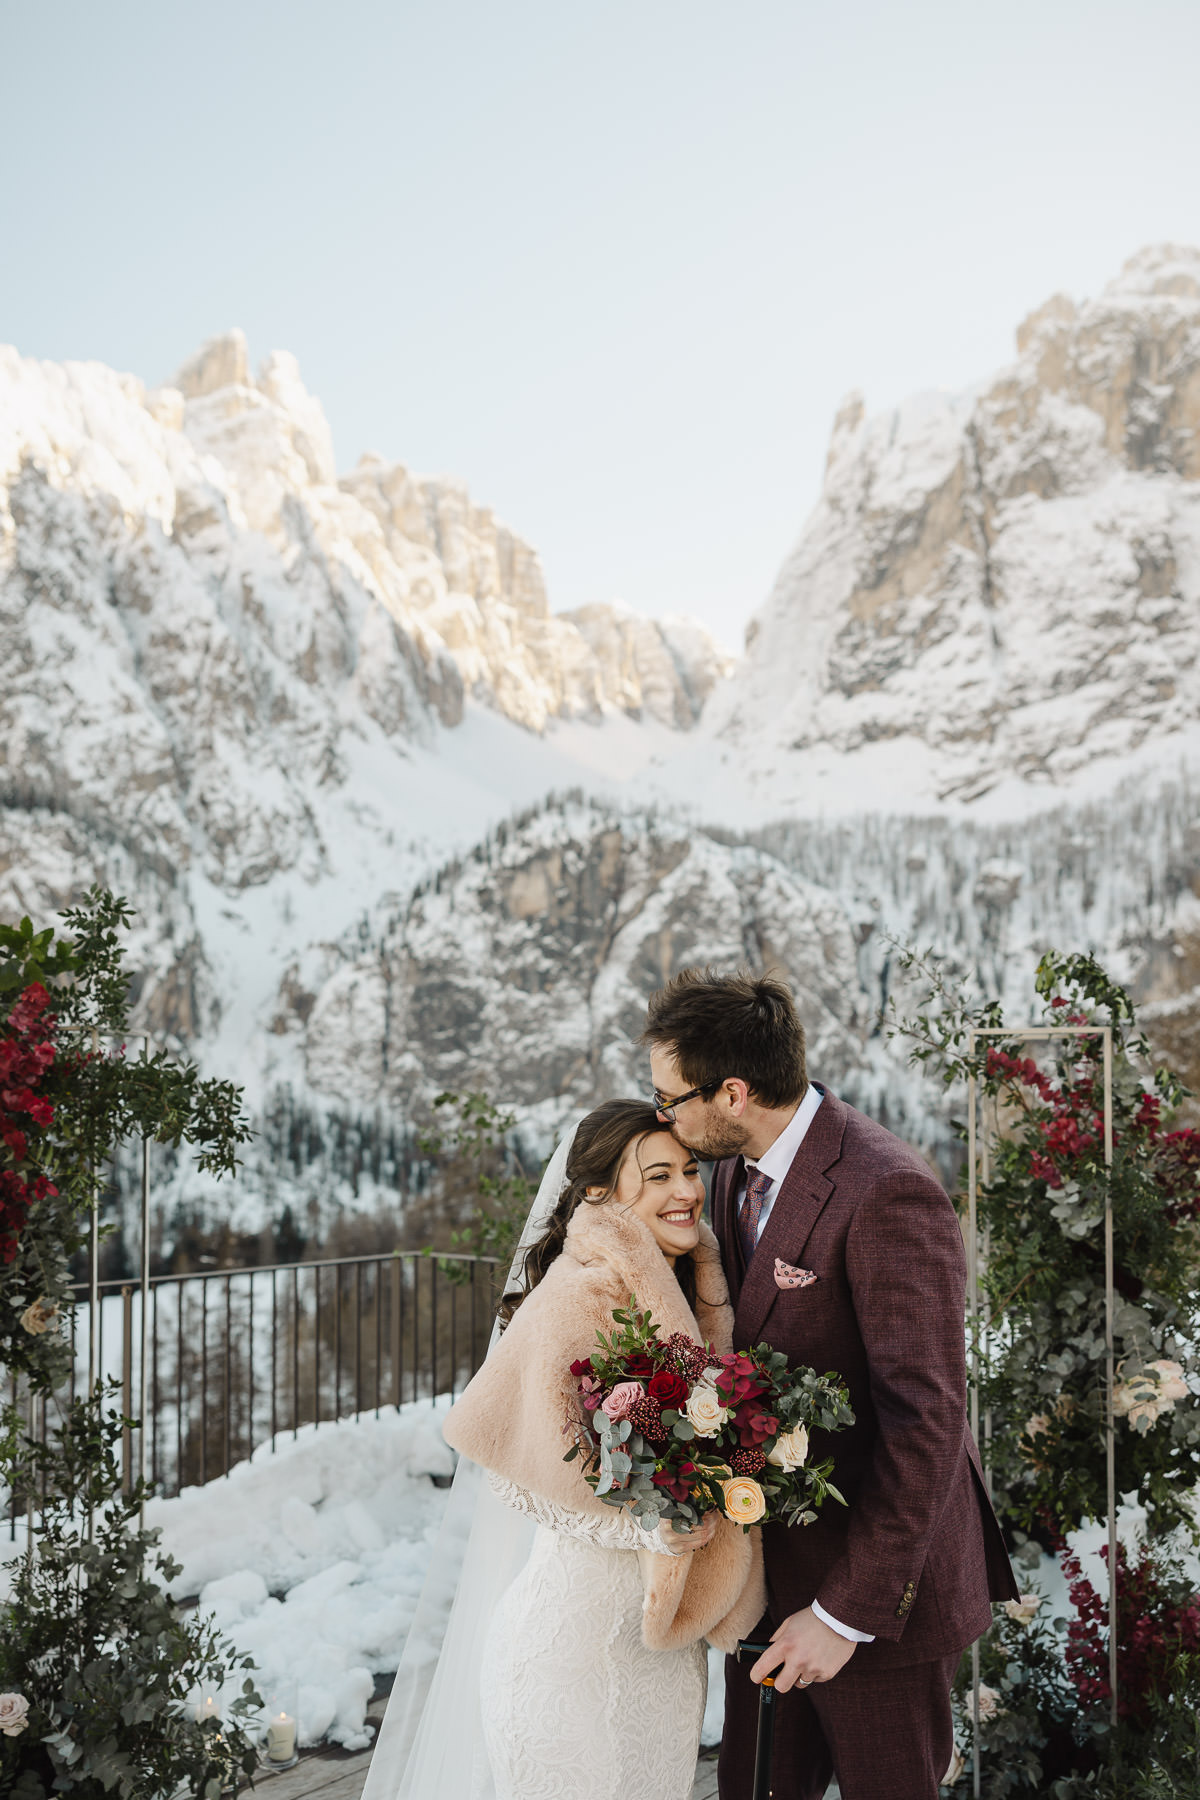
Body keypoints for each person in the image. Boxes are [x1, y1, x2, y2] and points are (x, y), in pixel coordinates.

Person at [642, 969, 1019, 1800]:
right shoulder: (735, 1168)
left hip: (878, 1601)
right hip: (772, 1578)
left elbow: (927, 1423)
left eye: (673, 1100)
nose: (663, 1117)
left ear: (732, 1092)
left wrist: (843, 1615)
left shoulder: (887, 1190)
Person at [368, 1098, 764, 1800]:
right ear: (596, 1192)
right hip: (568, 1653)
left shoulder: (684, 1289)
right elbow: (523, 1481)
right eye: (659, 1175)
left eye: (690, 1170)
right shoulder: (576, 1295)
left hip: (662, 1660)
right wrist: (652, 1521)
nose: (685, 1192)